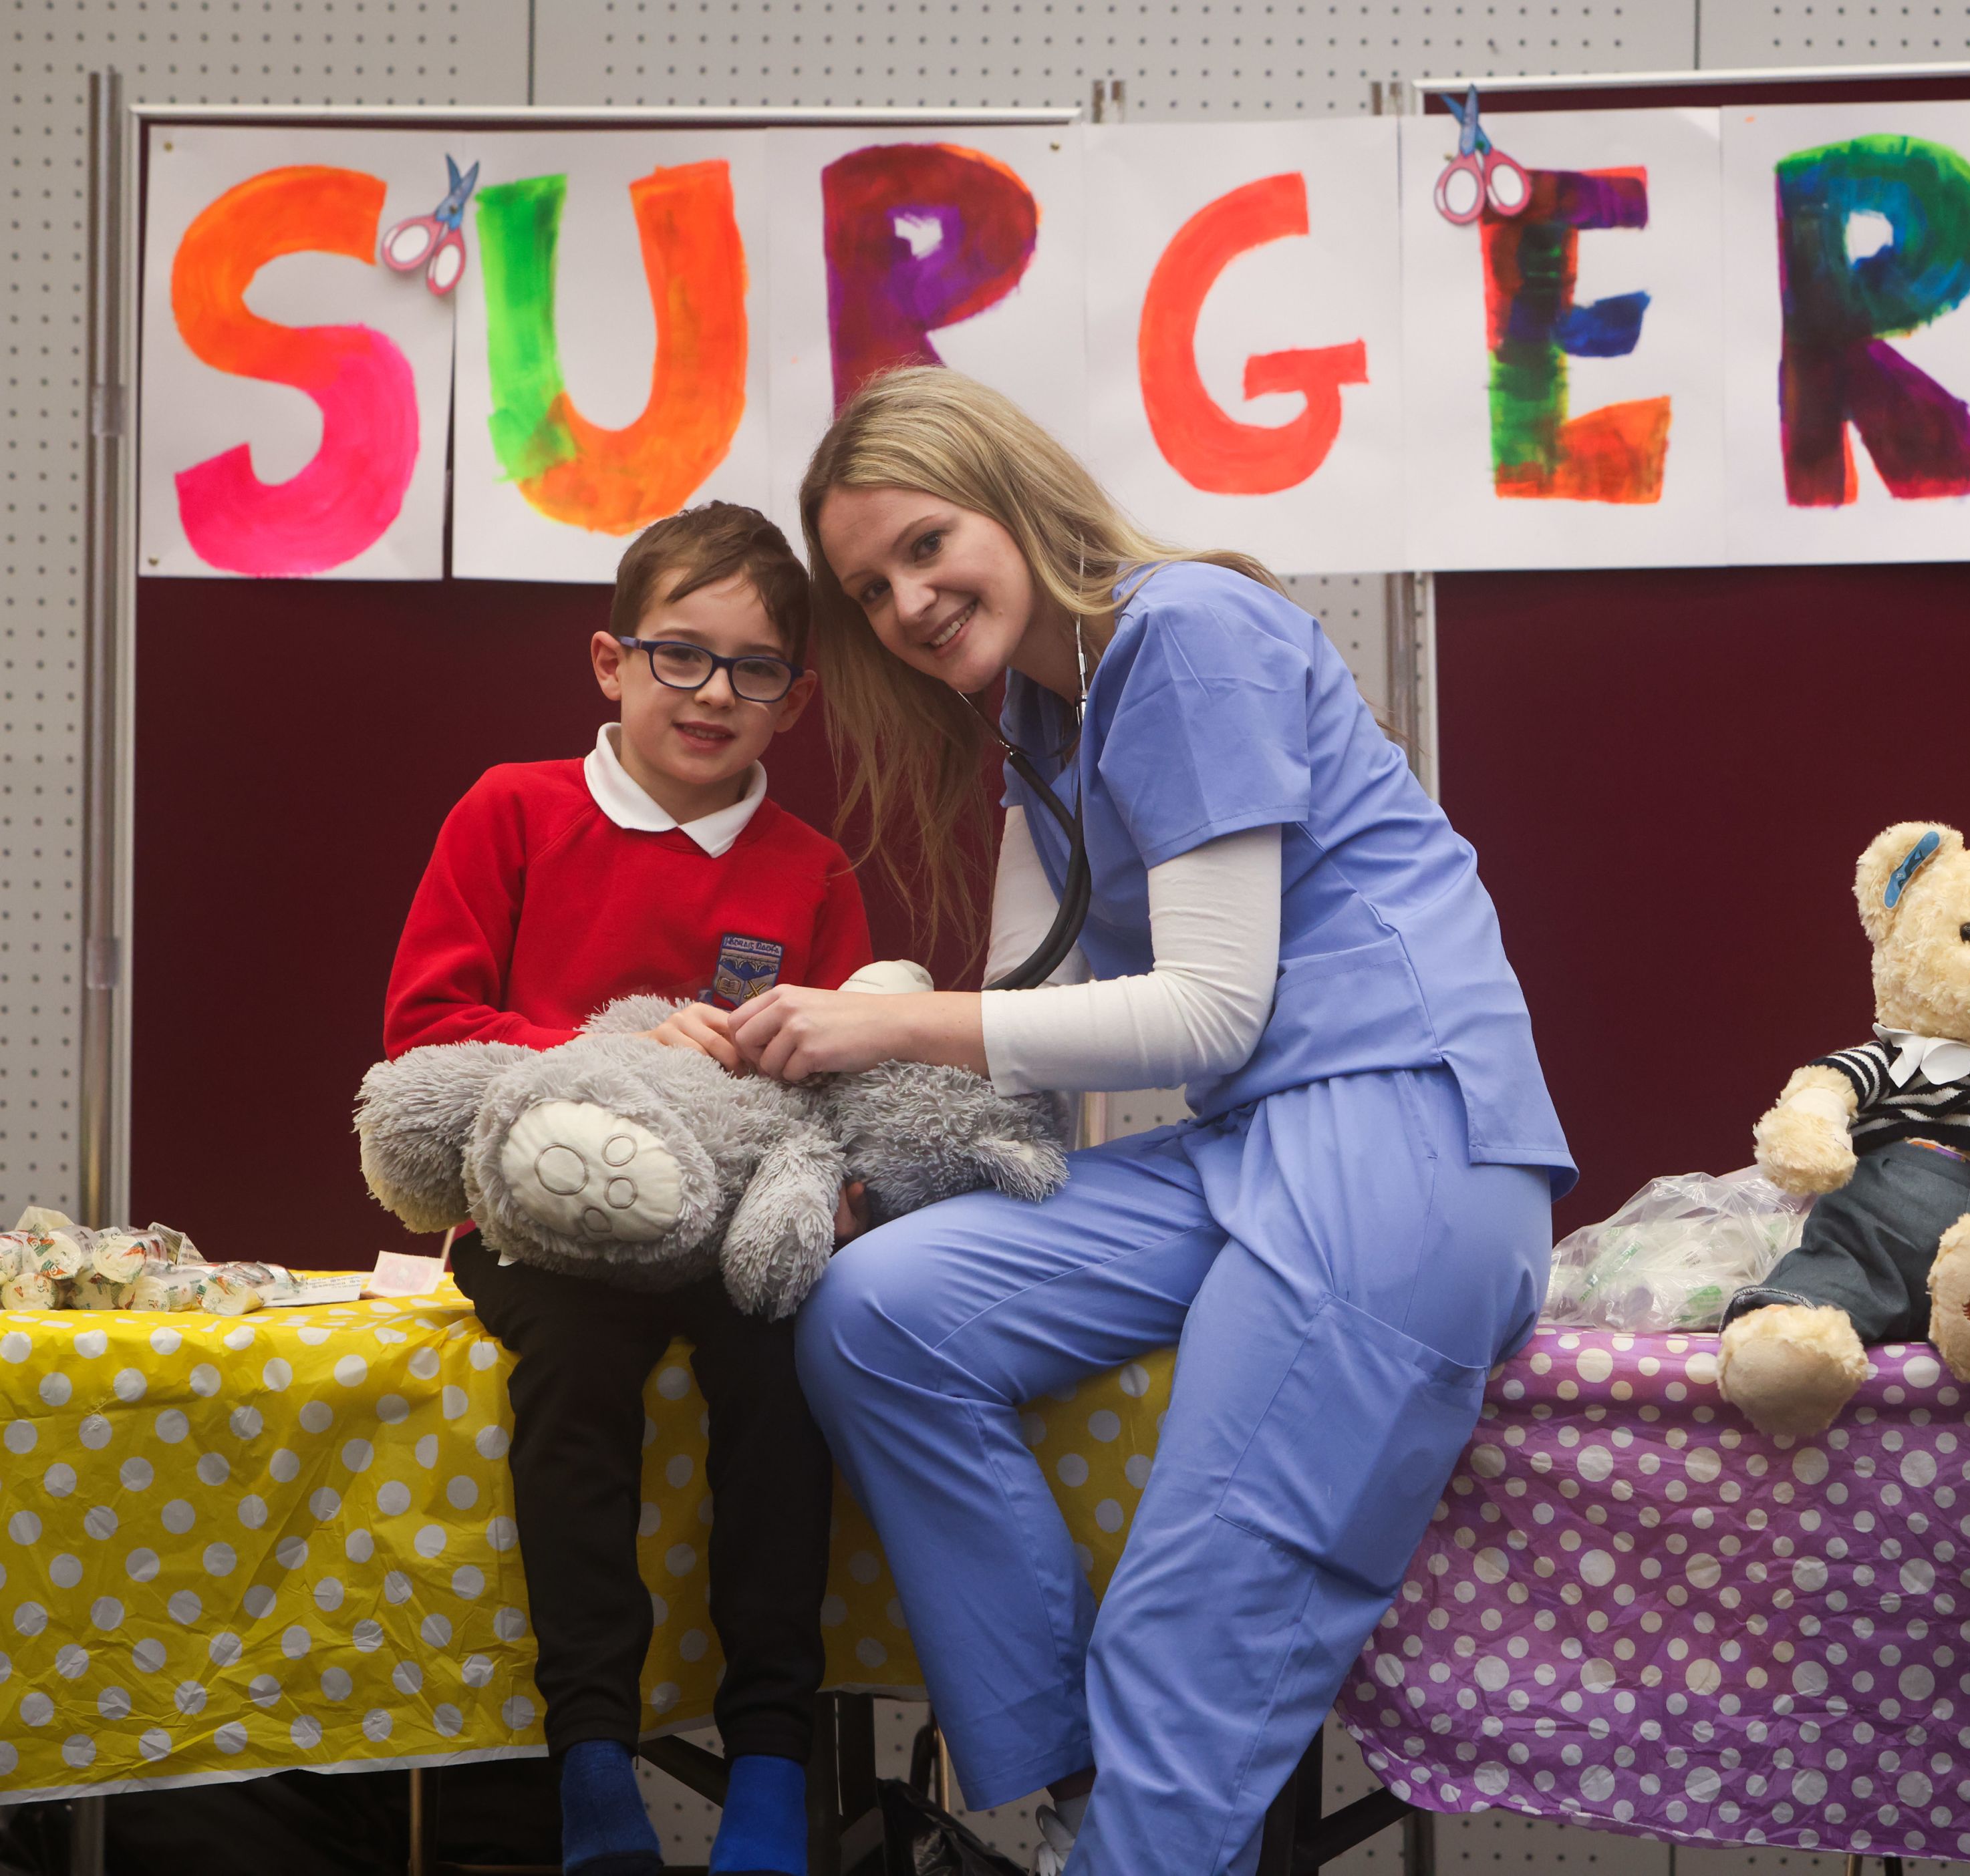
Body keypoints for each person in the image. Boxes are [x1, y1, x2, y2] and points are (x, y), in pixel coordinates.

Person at [727, 366, 1574, 1876]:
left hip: (1408, 1141)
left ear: (1012, 500)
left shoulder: (1186, 633)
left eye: (927, 545)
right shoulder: (1037, 718)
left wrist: (884, 1022)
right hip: (1251, 1149)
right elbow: (1019, 1032)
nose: (908, 603)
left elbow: (1207, 1014)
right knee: (876, 1316)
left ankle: (1138, 1839)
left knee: (1191, 1623)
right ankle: (1087, 1800)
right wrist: (806, 1105)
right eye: (868, 589)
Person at [382, 502, 873, 1876]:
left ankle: (769, 1766)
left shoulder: (813, 869)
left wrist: (837, 1183)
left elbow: (844, 1081)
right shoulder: (511, 810)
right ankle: (592, 1765)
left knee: (785, 1378)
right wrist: (616, 1049)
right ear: (612, 662)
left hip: (723, 1229)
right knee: (578, 1378)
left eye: (754, 669)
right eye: (680, 655)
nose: (713, 693)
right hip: (542, 1225)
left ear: (794, 701)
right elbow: (426, 1034)